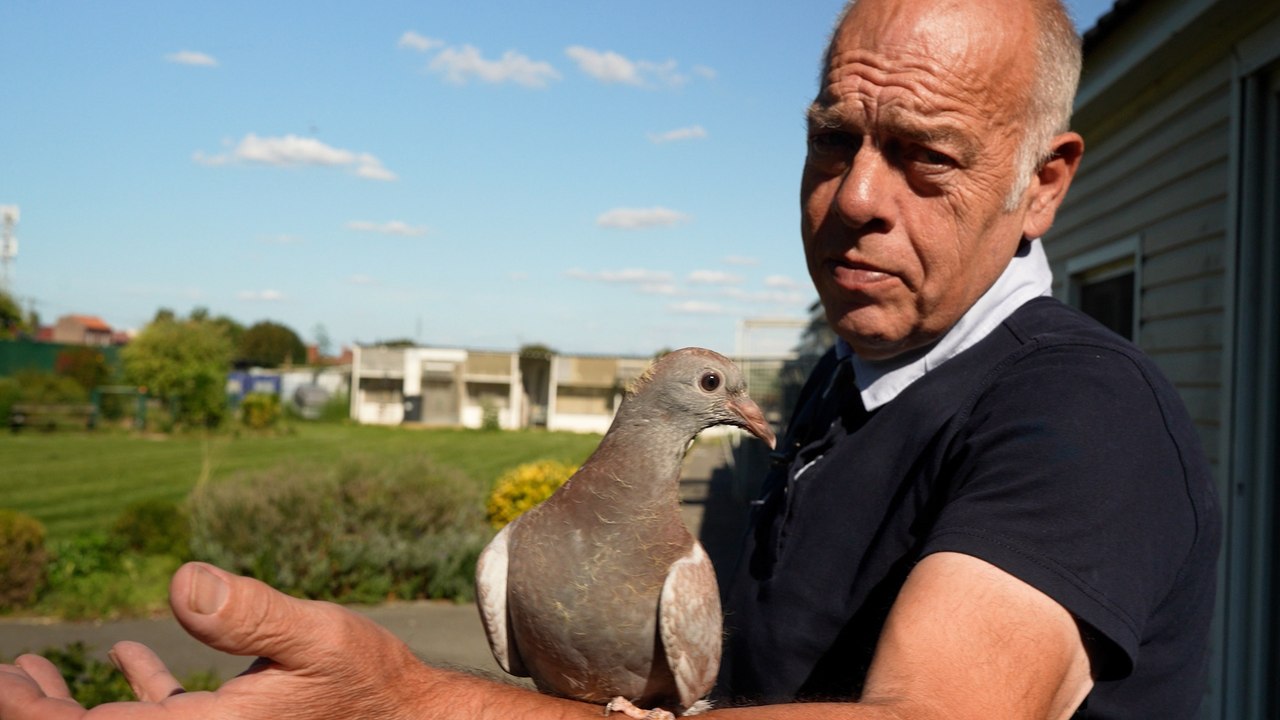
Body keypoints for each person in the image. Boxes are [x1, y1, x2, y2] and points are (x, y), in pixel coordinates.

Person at [0, 0, 1219, 717]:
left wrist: (406, 698)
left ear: (1042, 183)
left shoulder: (1080, 413)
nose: (852, 196)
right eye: (831, 137)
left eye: (924, 157)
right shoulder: (844, 393)